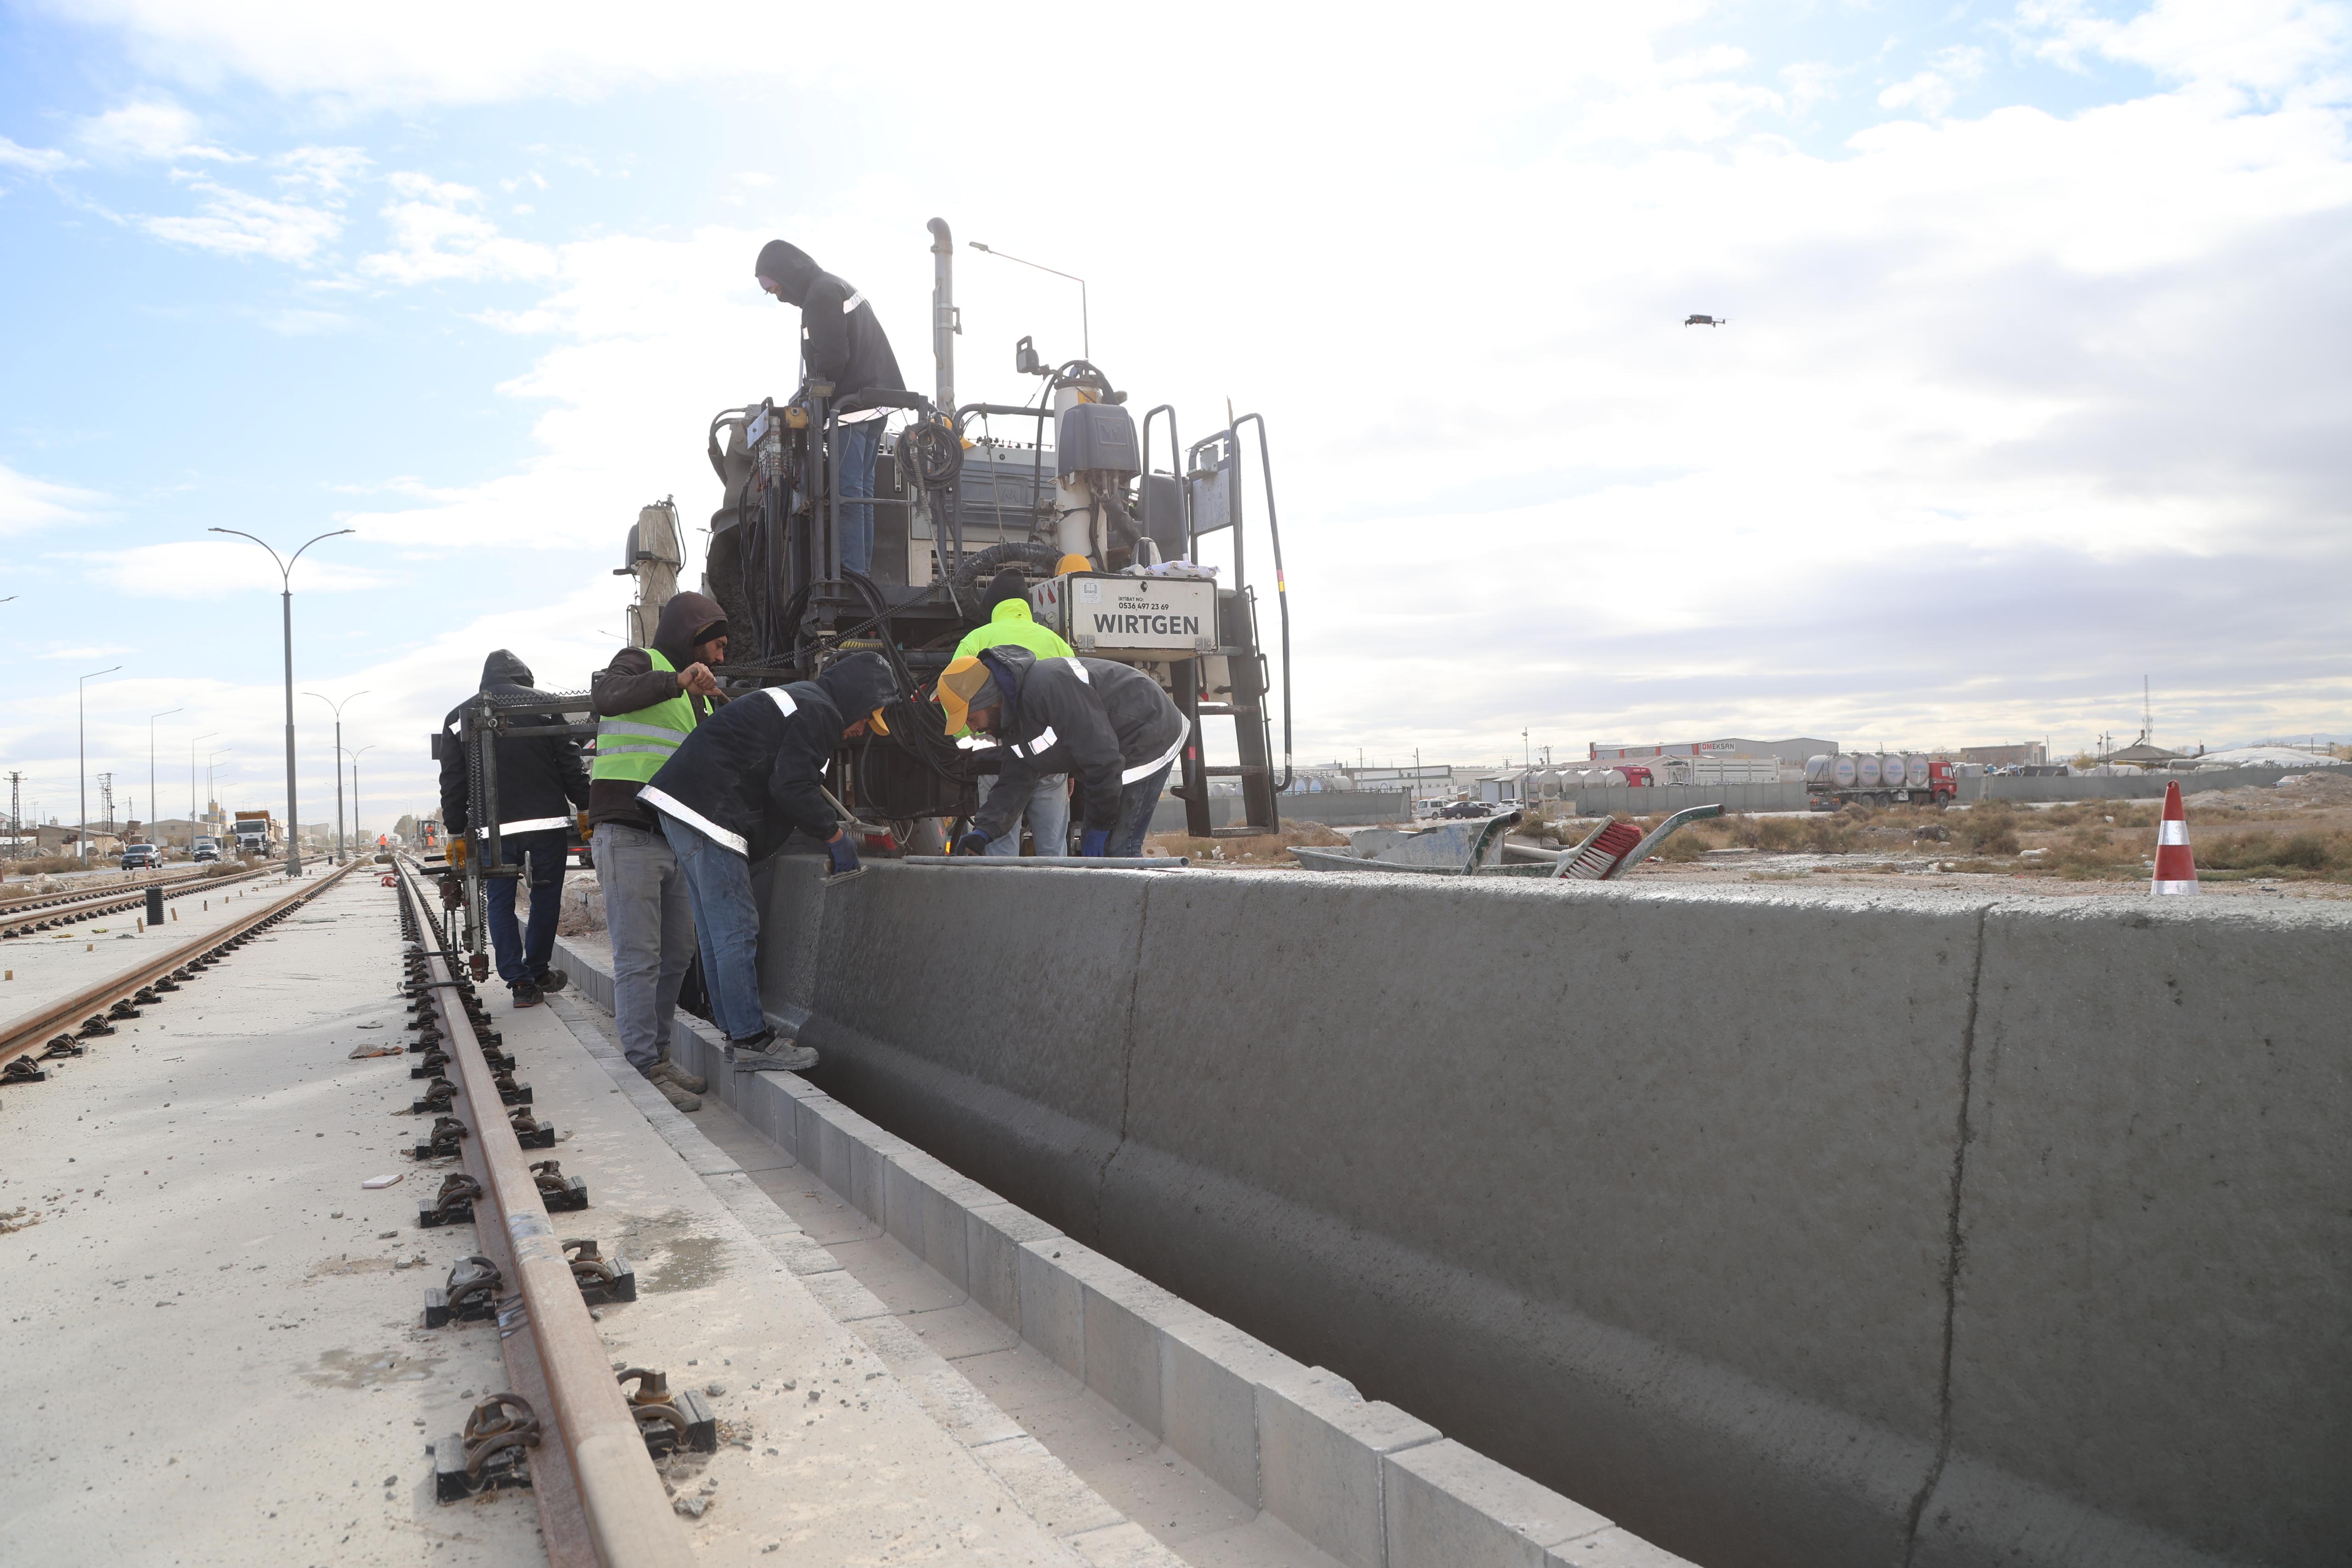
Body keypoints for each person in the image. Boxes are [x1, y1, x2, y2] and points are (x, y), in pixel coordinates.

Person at [639, 651, 900, 1070]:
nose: (861, 729)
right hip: (711, 808)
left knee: (716, 932)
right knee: (737, 928)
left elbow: (783, 778)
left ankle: (735, 1030)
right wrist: (834, 836)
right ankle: (751, 1040)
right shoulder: (821, 712)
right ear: (857, 698)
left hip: (680, 805)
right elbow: (791, 786)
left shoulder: (801, 698)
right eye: (868, 717)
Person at [587, 590, 731, 1111]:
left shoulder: (702, 697)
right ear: (694, 634)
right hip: (627, 832)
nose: (721, 655)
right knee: (639, 958)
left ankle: (659, 1056)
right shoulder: (641, 662)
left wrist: (720, 702)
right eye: (716, 644)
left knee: (675, 956)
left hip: (674, 839)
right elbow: (606, 696)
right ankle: (643, 1066)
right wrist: (676, 680)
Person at [438, 650, 591, 1009]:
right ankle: (537, 969)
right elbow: (569, 760)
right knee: (546, 896)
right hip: (546, 823)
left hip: (493, 829)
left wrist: (456, 832)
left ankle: (519, 981)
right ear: (524, 678)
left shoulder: (458, 716)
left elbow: (453, 780)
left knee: (500, 902)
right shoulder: (545, 704)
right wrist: (585, 805)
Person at [935, 646, 1188, 859]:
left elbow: (1103, 761)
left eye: (971, 719)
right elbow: (1015, 781)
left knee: (1119, 849)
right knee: (1100, 853)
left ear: (989, 701)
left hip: (1148, 730)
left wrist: (1101, 826)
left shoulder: (1050, 689)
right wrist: (984, 832)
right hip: (1114, 748)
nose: (974, 729)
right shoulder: (1013, 721)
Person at [753, 239, 906, 578]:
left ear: (787, 273)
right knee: (861, 494)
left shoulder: (820, 296)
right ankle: (860, 573)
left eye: (774, 286)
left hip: (850, 409)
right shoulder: (833, 285)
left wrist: (811, 400)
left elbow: (833, 360)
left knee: (847, 494)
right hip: (875, 402)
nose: (776, 294)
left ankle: (851, 575)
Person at [953, 569, 1074, 857]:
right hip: (1050, 760)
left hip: (997, 761)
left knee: (999, 849)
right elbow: (1075, 705)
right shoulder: (1057, 642)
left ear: (993, 607)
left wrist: (970, 739)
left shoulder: (976, 639)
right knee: (1054, 852)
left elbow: (955, 696)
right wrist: (1071, 765)